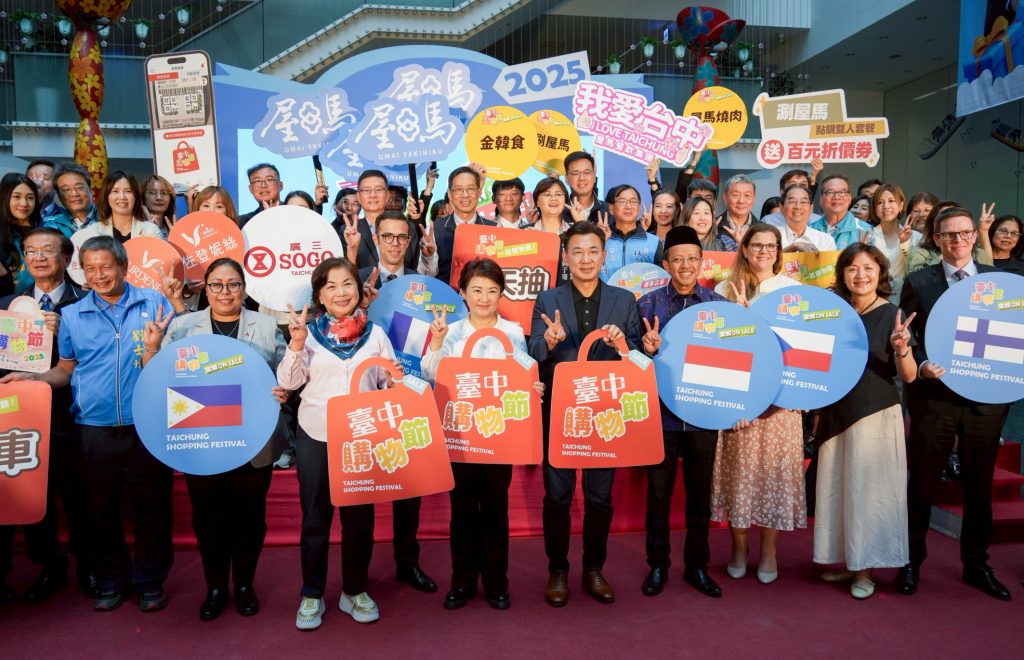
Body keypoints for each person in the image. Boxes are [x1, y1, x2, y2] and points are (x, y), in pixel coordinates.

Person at [1, 235, 176, 612]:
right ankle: (112, 579)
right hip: (92, 429)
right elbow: (65, 369)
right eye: (91, 268)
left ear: (123, 267)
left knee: (152, 508)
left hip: (147, 424)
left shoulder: (154, 303)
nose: (99, 275)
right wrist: (33, 378)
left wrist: (154, 346)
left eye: (106, 267)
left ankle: (150, 581)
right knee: (100, 510)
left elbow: (174, 365)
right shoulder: (73, 315)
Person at [159, 258, 287, 621]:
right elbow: (161, 378)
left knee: (250, 517)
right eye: (216, 284)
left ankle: (244, 583)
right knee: (208, 516)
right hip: (201, 439)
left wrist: (285, 390)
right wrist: (152, 349)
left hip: (253, 438)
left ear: (244, 289)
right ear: (206, 288)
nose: (225, 292)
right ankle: (215, 585)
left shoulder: (265, 325)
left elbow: (286, 373)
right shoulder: (183, 327)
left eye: (233, 285)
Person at [896, 206, 1011, 601]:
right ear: (937, 240)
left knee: (979, 488)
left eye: (964, 233)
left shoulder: (1001, 282)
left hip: (986, 404)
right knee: (922, 485)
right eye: (948, 234)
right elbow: (908, 335)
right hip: (935, 401)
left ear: (975, 237)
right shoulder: (919, 281)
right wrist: (922, 364)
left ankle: (976, 564)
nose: (957, 240)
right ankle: (910, 562)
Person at [277, 257, 398, 629]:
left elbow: (387, 383)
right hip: (317, 434)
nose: (341, 292)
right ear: (319, 296)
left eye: (347, 284)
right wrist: (297, 344)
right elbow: (288, 383)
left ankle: (354, 589)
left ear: (359, 291)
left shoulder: (376, 335)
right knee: (316, 519)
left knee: (359, 521)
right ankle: (312, 594)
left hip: (362, 438)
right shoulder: (309, 334)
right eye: (330, 286)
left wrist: (396, 385)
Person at [528, 221, 644, 607]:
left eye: (593, 251)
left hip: (605, 414)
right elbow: (532, 349)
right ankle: (557, 570)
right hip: (560, 413)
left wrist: (625, 345)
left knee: (600, 497)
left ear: (604, 256)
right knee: (557, 496)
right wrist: (548, 341)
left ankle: (594, 568)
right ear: (565, 256)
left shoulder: (624, 300)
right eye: (577, 251)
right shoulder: (548, 299)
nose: (585, 259)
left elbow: (637, 357)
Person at [420, 258, 544, 611]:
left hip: (498, 436)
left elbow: (523, 375)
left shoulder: (513, 332)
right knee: (462, 510)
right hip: (460, 434)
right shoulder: (450, 331)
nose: (484, 298)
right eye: (476, 290)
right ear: (462, 292)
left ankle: (496, 582)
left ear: (501, 294)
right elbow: (431, 374)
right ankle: (462, 580)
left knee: (495, 509)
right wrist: (437, 343)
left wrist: (532, 387)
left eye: (492, 291)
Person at [813, 243, 917, 599]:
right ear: (842, 274)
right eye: (853, 268)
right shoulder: (833, 312)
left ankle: (866, 571)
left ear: (880, 273)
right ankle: (851, 560)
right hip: (835, 412)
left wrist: (901, 348)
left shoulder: (893, 315)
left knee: (869, 493)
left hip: (874, 414)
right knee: (840, 488)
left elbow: (909, 375)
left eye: (869, 268)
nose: (861, 275)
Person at [636, 226, 727, 598]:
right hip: (661, 415)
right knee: (658, 495)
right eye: (677, 259)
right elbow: (631, 362)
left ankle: (697, 566)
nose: (686, 265)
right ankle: (657, 565)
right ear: (666, 264)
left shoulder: (718, 305)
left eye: (692, 258)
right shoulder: (648, 305)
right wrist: (647, 351)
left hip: (704, 415)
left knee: (699, 494)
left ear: (702, 261)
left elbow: (731, 360)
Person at [0, 227, 89, 604]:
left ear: (66, 259)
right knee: (29, 493)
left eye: (47, 251)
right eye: (31, 251)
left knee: (78, 496)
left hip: (73, 415)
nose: (38, 257)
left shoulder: (86, 302)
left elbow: (97, 358)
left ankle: (88, 568)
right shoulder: (8, 304)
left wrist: (65, 330)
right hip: (20, 418)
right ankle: (46, 564)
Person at [714, 223, 806, 584]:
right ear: (745, 248)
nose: (764, 251)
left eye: (771, 246)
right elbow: (716, 352)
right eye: (757, 245)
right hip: (739, 401)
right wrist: (739, 322)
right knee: (738, 478)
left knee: (773, 481)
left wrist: (802, 393)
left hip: (780, 405)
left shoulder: (792, 291)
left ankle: (769, 551)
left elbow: (801, 350)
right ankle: (739, 547)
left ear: (778, 252)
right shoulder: (724, 290)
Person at [343, 170, 423, 274]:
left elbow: (415, 268)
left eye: (378, 189)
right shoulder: (347, 232)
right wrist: (352, 251)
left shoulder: (409, 228)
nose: (373, 195)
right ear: (358, 196)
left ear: (387, 195)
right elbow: (344, 275)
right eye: (367, 190)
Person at [434, 166, 497, 283]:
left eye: (471, 189)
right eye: (458, 190)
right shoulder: (435, 229)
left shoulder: (494, 229)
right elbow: (427, 273)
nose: (465, 195)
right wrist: (427, 256)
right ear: (450, 194)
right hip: (445, 294)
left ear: (479, 192)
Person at [72, 171, 162, 245]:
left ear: (135, 196)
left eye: (128, 191)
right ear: (106, 196)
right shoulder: (93, 232)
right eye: (115, 191)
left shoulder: (150, 231)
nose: (122, 197)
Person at [347, 210, 437, 284]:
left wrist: (428, 257)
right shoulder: (359, 279)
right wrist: (352, 250)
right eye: (388, 236)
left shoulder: (418, 282)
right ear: (376, 239)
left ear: (408, 242)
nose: (395, 243)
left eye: (401, 237)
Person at [908, 200, 992, 273]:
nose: (958, 239)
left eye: (954, 214)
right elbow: (916, 278)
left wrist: (983, 231)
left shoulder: (978, 254)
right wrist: (943, 258)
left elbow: (991, 276)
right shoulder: (921, 252)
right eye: (944, 216)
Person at [868, 184, 919, 302]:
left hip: (908, 300)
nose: (886, 206)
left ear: (901, 205)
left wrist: (905, 243)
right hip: (875, 301)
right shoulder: (867, 236)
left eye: (891, 201)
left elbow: (917, 270)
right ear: (874, 208)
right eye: (880, 202)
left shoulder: (916, 237)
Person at [599, 184, 661, 279]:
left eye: (633, 202)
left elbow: (661, 277)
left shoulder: (654, 242)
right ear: (611, 208)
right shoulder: (600, 240)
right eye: (622, 201)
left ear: (639, 207)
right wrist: (599, 242)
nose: (628, 206)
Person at [0, 173, 43, 295]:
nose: (24, 203)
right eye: (17, 197)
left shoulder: (47, 231)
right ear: (5, 197)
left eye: (30, 198)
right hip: (8, 302)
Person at [810, 174, 873, 250]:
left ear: (850, 198)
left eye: (842, 192)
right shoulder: (810, 230)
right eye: (830, 192)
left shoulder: (865, 230)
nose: (836, 197)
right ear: (821, 199)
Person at [43, 162, 97, 237]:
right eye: (66, 190)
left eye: (79, 188)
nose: (74, 194)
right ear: (59, 196)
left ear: (90, 190)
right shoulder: (49, 224)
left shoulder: (109, 219)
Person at [778, 184, 837, 253]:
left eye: (803, 202)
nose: (798, 206)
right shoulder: (772, 237)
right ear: (781, 208)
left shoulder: (825, 240)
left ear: (811, 208)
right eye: (792, 202)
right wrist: (793, 247)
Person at [561, 151, 608, 224]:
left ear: (594, 177)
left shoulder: (610, 211)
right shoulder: (558, 212)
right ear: (566, 179)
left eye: (587, 172)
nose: (582, 178)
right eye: (575, 173)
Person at [716, 174, 758, 245]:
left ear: (754, 198)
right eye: (735, 195)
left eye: (747, 195)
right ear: (725, 198)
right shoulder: (712, 226)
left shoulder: (764, 229)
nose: (741, 201)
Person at [238, 163, 283, 228]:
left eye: (269, 180)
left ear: (280, 185)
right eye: (257, 181)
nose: (263, 185)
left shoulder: (293, 211)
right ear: (250, 189)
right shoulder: (241, 222)